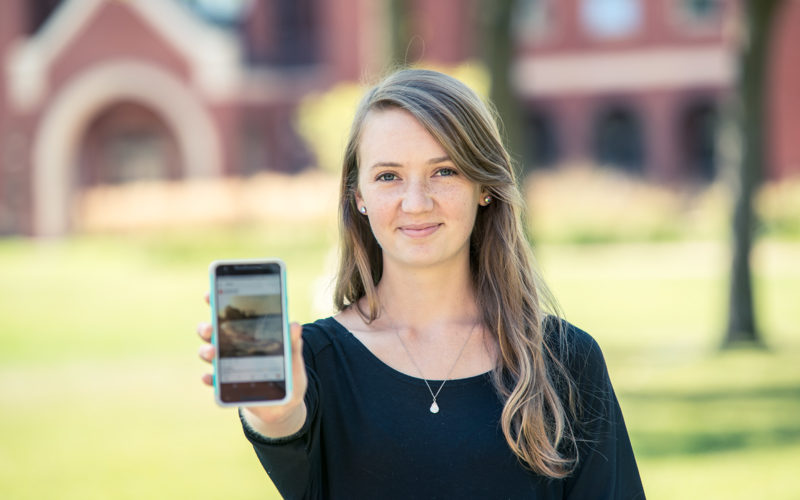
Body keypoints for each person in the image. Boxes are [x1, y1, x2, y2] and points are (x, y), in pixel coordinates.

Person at [197, 69, 645, 499]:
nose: (416, 202)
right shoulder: (312, 363)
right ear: (359, 197)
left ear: (484, 186)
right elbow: (282, 426)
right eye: (388, 176)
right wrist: (272, 410)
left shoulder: (564, 361)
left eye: (444, 171)